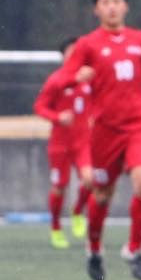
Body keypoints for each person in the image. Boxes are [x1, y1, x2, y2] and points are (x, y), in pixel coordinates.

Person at [58, 0, 141, 280]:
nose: (112, 6)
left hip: (138, 125)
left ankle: (134, 249)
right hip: (105, 130)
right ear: (96, 9)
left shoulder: (139, 39)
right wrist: (77, 77)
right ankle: (94, 249)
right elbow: (64, 78)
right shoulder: (87, 44)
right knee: (102, 195)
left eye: (116, 0)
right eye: (105, 2)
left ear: (125, 6)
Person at [33, 37, 94, 248]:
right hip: (60, 144)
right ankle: (56, 227)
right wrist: (57, 117)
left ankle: (77, 210)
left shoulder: (90, 78)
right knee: (59, 187)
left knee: (90, 179)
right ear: (64, 56)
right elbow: (40, 107)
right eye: (71, 51)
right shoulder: (56, 80)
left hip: (83, 142)